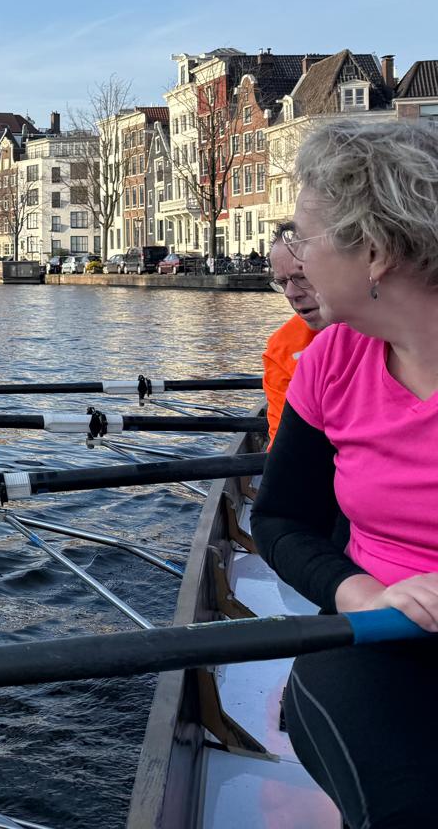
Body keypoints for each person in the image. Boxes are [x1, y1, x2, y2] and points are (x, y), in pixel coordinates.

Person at [253, 118, 438, 829]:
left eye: (303, 238)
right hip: (375, 639)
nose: (295, 263)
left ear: (376, 253)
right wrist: (361, 594)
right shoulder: (330, 359)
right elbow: (279, 518)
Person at [260, 219, 333, 444]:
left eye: (302, 277)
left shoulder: (384, 327)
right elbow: (282, 443)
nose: (290, 294)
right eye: (282, 283)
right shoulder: (281, 347)